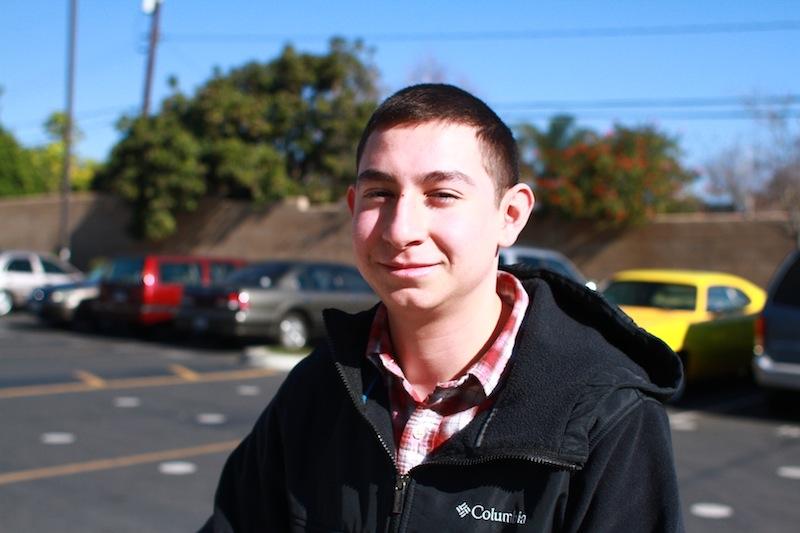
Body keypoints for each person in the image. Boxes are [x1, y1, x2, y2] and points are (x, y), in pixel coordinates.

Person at [200, 84, 684, 532]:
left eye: (442, 195)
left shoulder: (608, 415)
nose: (399, 228)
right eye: (380, 194)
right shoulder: (317, 388)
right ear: (353, 208)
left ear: (510, 216)